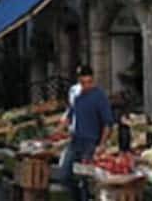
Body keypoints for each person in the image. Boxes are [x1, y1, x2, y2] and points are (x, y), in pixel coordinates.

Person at [59, 64, 114, 201]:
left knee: (85, 180)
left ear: (93, 80)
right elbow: (71, 111)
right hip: (75, 140)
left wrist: (101, 145)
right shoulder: (73, 92)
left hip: (91, 143)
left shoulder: (99, 96)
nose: (86, 86)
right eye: (83, 83)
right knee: (64, 175)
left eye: (89, 82)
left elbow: (107, 123)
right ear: (78, 81)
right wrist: (65, 120)